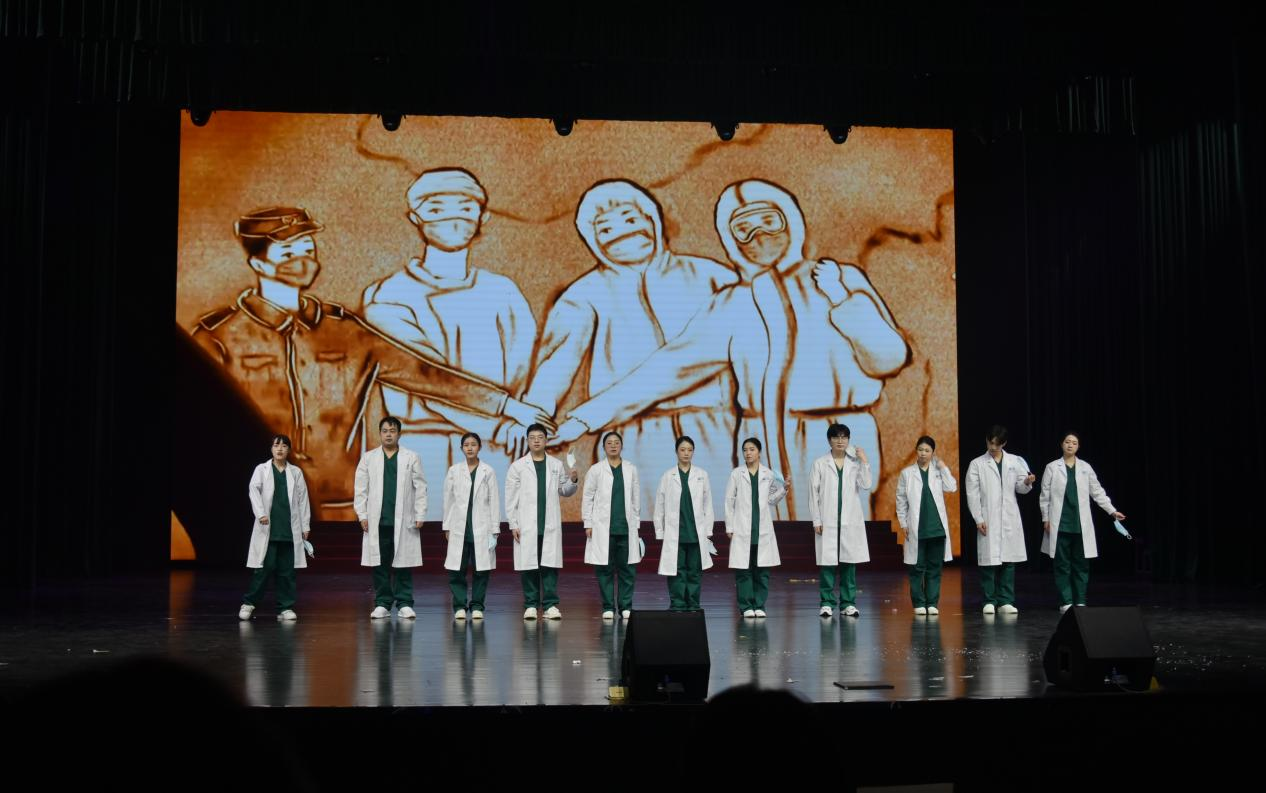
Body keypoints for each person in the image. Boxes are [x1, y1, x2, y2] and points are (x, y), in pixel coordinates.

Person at [192, 206, 551, 521]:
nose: (302, 260)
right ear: (258, 263)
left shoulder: (346, 331)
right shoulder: (219, 336)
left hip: (339, 504)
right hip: (256, 504)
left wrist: (508, 406)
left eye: (308, 250)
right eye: (288, 252)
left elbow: (425, 375)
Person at [362, 169, 536, 517]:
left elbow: (523, 368)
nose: (453, 218)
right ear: (416, 217)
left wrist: (510, 426)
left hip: (497, 448)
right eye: (437, 208)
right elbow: (428, 382)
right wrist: (499, 423)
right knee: (422, 536)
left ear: (483, 217)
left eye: (466, 208)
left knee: (494, 536)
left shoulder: (503, 292)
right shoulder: (388, 294)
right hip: (422, 444)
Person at [1038, 432, 1127, 613]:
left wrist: (1112, 511)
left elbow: (1097, 492)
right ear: (1062, 444)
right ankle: (1066, 601)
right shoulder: (1052, 467)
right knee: (1062, 564)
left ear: (1078, 447)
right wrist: (1045, 518)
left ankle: (1080, 600)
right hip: (1060, 524)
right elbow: (1044, 496)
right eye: (1067, 442)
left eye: (1074, 443)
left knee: (1081, 564)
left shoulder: (1086, 468)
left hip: (1080, 525)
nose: (1070, 445)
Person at [354, 416, 427, 620]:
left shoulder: (411, 457)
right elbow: (360, 489)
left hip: (404, 520)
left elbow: (420, 487)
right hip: (378, 520)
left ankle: (404, 603)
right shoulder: (369, 458)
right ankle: (382, 603)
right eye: (385, 431)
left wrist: (420, 513)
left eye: (392, 431)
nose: (388, 434)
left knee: (403, 562)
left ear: (399, 434)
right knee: (380, 563)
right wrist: (362, 514)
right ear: (380, 433)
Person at [505, 423, 579, 619]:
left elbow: (564, 491)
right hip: (526, 524)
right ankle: (530, 604)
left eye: (540, 437)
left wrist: (572, 480)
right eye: (532, 438)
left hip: (549, 523)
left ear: (546, 440)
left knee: (549, 566)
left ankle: (550, 606)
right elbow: (511, 498)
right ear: (527, 441)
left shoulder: (556, 465)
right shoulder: (518, 467)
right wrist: (513, 523)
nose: (536, 441)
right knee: (528, 565)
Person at [240, 434, 311, 621]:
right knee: (264, 569)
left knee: (287, 571)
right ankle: (249, 603)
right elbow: (253, 491)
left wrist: (305, 525)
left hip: (289, 529)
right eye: (276, 445)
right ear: (271, 449)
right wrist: (260, 513)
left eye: (284, 446)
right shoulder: (262, 469)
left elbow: (303, 499)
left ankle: (285, 608)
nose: (280, 449)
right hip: (268, 529)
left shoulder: (295, 472)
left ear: (289, 450)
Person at [965, 425, 1035, 615]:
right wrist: (978, 518)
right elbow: (972, 494)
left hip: (1009, 517)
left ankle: (1006, 601)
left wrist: (1027, 482)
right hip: (988, 516)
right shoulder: (977, 464)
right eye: (990, 443)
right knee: (989, 561)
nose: (992, 447)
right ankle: (989, 600)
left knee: (1008, 560)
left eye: (996, 444)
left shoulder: (1015, 461)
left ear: (1004, 443)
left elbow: (1021, 488)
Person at [808, 423, 872, 617]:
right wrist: (816, 520)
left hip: (849, 520)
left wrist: (864, 461)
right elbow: (813, 493)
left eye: (844, 437)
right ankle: (826, 603)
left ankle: (848, 603)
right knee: (827, 563)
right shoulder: (820, 463)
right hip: (827, 519)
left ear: (848, 440)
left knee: (849, 564)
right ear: (829, 440)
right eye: (836, 437)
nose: (840, 441)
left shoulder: (855, 463)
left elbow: (866, 484)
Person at [582, 430, 642, 619]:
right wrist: (588, 523)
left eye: (617, 442)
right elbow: (588, 497)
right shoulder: (596, 470)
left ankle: (625, 606)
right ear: (604, 447)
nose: (613, 445)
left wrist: (636, 523)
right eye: (609, 443)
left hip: (626, 527)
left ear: (622, 446)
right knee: (604, 569)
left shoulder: (631, 469)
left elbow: (635, 498)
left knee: (627, 569)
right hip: (603, 528)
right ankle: (608, 607)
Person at [724, 437, 787, 618]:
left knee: (762, 570)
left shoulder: (769, 474)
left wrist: (784, 489)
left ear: (759, 452)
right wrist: (729, 526)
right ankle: (746, 606)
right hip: (742, 528)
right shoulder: (737, 473)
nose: (748, 453)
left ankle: (759, 605)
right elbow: (729, 500)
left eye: (752, 449)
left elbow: (771, 500)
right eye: (745, 450)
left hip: (762, 529)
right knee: (743, 570)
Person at [895, 435, 957, 615]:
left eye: (927, 450)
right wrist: (903, 523)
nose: (923, 453)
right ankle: (919, 603)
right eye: (920, 449)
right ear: (916, 450)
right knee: (916, 567)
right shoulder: (907, 473)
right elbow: (901, 500)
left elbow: (951, 487)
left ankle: (932, 603)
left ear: (933, 453)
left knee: (935, 568)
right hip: (917, 528)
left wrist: (943, 467)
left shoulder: (938, 471)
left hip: (936, 528)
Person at [442, 432, 501, 621]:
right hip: (459, 526)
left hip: (482, 527)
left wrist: (495, 529)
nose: (469, 448)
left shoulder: (488, 471)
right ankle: (459, 606)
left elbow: (494, 501)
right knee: (456, 570)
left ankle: (477, 606)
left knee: (481, 570)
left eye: (473, 444)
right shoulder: (454, 471)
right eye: (466, 445)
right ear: (461, 448)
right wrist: (447, 526)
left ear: (479, 448)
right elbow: (448, 500)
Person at [653, 435, 715, 611]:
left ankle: (693, 603)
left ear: (693, 452)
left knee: (694, 570)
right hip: (676, 532)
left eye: (690, 450)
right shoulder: (668, 476)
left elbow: (707, 505)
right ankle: (678, 603)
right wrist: (660, 531)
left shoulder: (702, 475)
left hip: (695, 532)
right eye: (682, 450)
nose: (686, 453)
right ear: (676, 452)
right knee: (676, 570)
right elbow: (660, 505)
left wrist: (708, 531)